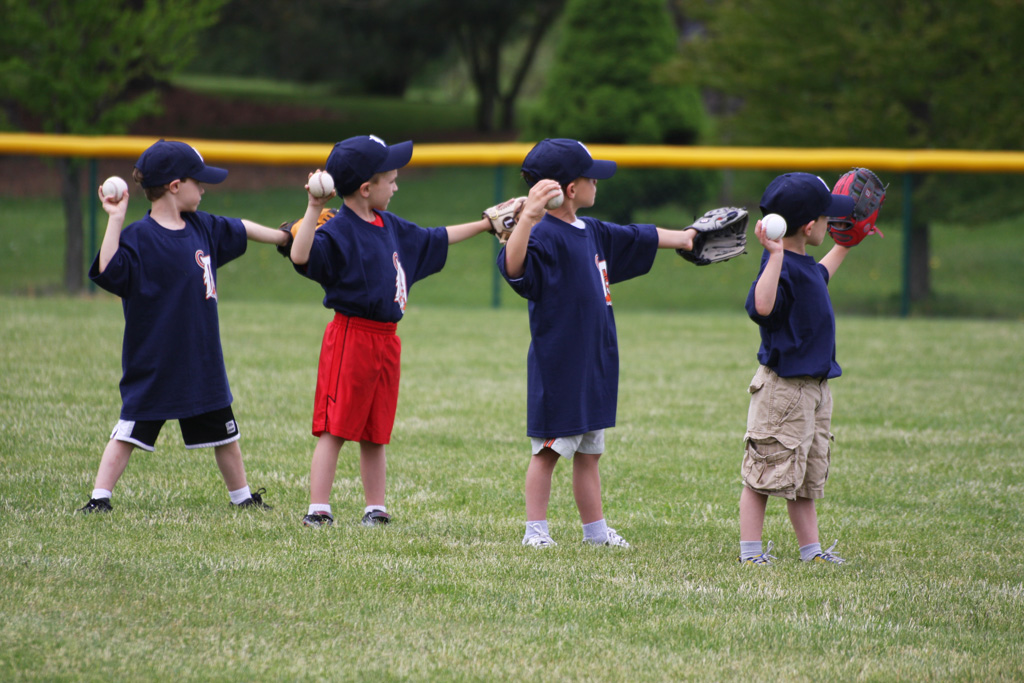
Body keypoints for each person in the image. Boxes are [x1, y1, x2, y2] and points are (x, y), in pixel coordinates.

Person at [498, 138, 700, 548]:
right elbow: (513, 265)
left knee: (590, 453)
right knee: (549, 452)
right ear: (570, 189)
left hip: (596, 362)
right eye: (591, 177)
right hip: (561, 365)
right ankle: (535, 531)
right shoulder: (543, 235)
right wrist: (528, 218)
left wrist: (686, 238)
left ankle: (595, 532)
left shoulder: (590, 231)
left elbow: (637, 236)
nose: (597, 183)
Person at [290, 134, 493, 528]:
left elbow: (436, 237)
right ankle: (319, 508)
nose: (397, 186)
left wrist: (486, 224)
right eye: (391, 179)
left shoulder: (390, 225)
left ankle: (375, 507)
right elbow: (300, 255)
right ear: (367, 188)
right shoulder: (338, 230)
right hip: (350, 336)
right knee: (335, 427)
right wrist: (315, 208)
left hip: (386, 340)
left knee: (374, 429)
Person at [78, 140, 289, 514]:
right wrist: (115, 218)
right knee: (128, 430)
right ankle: (99, 498)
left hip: (201, 356)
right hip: (155, 358)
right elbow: (109, 270)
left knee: (226, 431)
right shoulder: (139, 238)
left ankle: (242, 497)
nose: (204, 188)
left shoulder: (201, 227)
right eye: (198, 181)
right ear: (175, 186)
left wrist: (284, 238)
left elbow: (242, 227)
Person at [738, 172, 857, 565]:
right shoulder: (779, 265)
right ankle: (750, 553)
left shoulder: (803, 264)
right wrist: (772, 257)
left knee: (804, 478)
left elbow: (819, 278)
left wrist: (845, 245)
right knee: (763, 475)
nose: (831, 223)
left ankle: (812, 552)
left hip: (814, 391)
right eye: (828, 220)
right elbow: (763, 307)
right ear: (809, 227)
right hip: (782, 392)